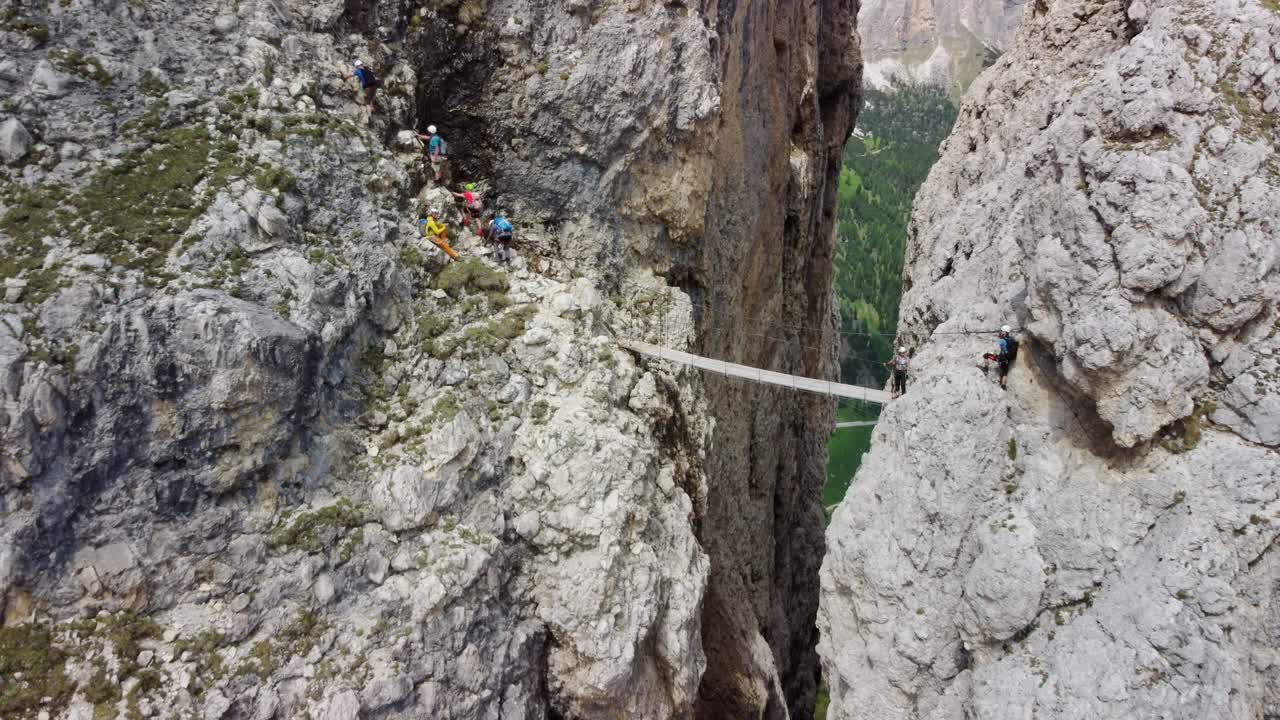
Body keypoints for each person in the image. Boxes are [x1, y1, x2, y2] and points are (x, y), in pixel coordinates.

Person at [996, 325, 1019, 390]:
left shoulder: (1003, 339)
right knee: (1005, 372)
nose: (1001, 332)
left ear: (1005, 332)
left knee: (986, 355)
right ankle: (1003, 385)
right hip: (1008, 358)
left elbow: (1000, 345)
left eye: (1002, 331)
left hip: (1003, 357)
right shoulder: (1012, 339)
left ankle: (986, 369)